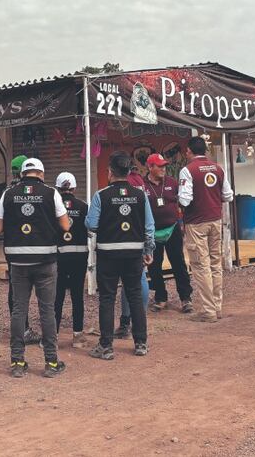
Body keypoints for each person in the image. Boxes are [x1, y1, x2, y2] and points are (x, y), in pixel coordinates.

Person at [0, 158, 71, 379]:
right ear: (41, 173)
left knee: (19, 309)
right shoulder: (51, 193)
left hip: (17, 261)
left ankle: (17, 362)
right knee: (47, 310)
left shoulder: (8, 194)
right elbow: (66, 225)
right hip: (45, 260)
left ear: (22, 174)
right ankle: (51, 362)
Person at [86, 151, 155, 360]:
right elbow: (149, 226)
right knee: (134, 295)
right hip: (134, 254)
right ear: (128, 172)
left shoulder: (101, 195)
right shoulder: (140, 195)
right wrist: (148, 250)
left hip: (108, 255)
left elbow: (91, 224)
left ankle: (106, 346)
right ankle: (141, 343)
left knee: (107, 298)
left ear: (110, 172)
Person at [178, 136, 233, 322]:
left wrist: (179, 201)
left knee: (201, 266)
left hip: (196, 223)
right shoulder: (218, 168)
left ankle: (208, 311)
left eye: (186, 151)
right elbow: (228, 196)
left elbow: (185, 200)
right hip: (216, 221)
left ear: (190, 151)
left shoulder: (187, 170)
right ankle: (217, 307)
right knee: (216, 264)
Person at [144, 153, 193, 313]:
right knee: (154, 267)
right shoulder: (142, 186)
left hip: (172, 230)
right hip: (152, 233)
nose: (163, 169)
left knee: (179, 264)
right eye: (159, 166)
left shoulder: (172, 182)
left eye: (164, 165)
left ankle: (186, 298)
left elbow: (184, 203)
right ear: (150, 167)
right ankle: (161, 297)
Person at [5, 154, 41, 345]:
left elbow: (0, 224)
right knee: (42, 290)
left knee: (16, 290)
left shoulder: (8, 192)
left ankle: (21, 329)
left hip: (12, 248)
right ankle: (28, 331)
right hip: (36, 247)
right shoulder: (40, 191)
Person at [53, 172, 89, 348]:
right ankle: (77, 336)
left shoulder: (52, 205)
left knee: (57, 296)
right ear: (74, 188)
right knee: (77, 296)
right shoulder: (83, 206)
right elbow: (90, 229)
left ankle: (53, 337)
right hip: (79, 257)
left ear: (58, 188)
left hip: (58, 257)